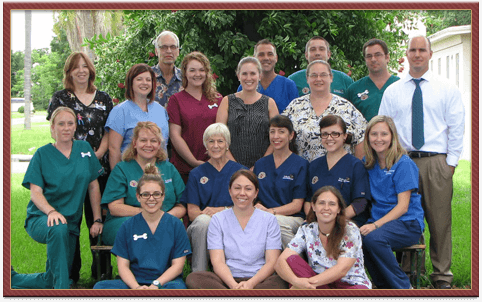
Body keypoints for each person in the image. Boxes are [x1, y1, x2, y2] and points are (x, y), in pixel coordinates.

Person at [378, 35, 465, 289]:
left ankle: (442, 276)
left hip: (436, 161)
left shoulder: (446, 88)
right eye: (412, 50)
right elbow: (383, 126)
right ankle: (407, 272)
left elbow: (456, 127)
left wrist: (451, 163)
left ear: (430, 54)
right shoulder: (393, 91)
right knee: (404, 216)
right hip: (402, 162)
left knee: (439, 220)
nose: (417, 54)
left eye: (421, 50)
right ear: (406, 54)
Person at [11, 107, 103, 289]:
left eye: (70, 123)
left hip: (70, 226)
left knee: (52, 278)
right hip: (42, 218)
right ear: (52, 128)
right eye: (61, 124)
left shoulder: (84, 149)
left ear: (76, 127)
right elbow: (35, 192)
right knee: (61, 279)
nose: (66, 128)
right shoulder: (42, 155)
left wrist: (98, 219)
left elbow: (93, 186)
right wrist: (51, 212)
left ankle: (12, 279)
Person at [46, 51, 113, 281]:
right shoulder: (60, 98)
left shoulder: (104, 98)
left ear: (90, 70)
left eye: (85, 66)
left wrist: (96, 155)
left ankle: (102, 274)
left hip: (99, 168)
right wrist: (77, 158)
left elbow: (108, 132)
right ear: (69, 71)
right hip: (70, 171)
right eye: (76, 67)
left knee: (99, 220)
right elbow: (56, 131)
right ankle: (70, 273)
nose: (81, 70)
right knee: (69, 220)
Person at [94, 164, 191, 289]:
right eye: (145, 194)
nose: (151, 199)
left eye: (156, 194)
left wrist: (156, 285)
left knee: (177, 290)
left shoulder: (175, 224)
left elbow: (177, 266)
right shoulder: (127, 226)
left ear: (163, 196)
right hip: (134, 281)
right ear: (138, 197)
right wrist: (136, 288)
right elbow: (123, 266)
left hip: (165, 282)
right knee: (100, 287)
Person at [186, 170, 288, 289]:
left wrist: (250, 284)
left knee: (282, 280)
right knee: (194, 278)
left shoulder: (269, 220)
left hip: (259, 280)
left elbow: (271, 262)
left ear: (256, 193)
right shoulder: (218, 219)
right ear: (230, 191)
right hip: (227, 279)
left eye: (248, 189)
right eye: (237, 188)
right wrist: (234, 286)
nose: (242, 193)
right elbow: (218, 262)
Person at [359, 115, 425, 289]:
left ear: (392, 137)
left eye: (384, 134)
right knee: (356, 239)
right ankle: (382, 286)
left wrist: (375, 225)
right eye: (374, 134)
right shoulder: (368, 163)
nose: (378, 139)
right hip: (380, 222)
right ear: (368, 138)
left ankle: (404, 287)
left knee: (373, 239)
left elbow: (403, 207)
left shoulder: (403, 164)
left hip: (407, 223)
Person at [101, 122, 185, 246]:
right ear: (135, 143)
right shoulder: (122, 169)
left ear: (159, 144)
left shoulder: (169, 169)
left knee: (166, 230)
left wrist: (164, 217)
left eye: (153, 141)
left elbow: (182, 205)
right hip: (125, 222)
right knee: (144, 230)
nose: (148, 145)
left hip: (163, 221)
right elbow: (114, 207)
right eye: (143, 140)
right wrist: (148, 215)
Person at [275, 186, 371, 289]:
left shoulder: (350, 230)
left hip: (350, 285)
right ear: (313, 206)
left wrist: (307, 284)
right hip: (321, 285)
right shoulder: (307, 229)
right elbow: (280, 262)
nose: (326, 208)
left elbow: (341, 270)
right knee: (292, 259)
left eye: (332, 204)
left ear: (338, 209)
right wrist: (296, 282)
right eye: (321, 203)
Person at [181, 123, 246, 272]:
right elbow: (192, 212)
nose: (215, 146)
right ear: (206, 145)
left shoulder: (241, 172)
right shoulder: (196, 174)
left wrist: (220, 211)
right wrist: (213, 218)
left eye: (220, 141)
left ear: (228, 144)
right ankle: (199, 275)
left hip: (233, 223)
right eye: (211, 141)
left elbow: (247, 207)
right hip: (204, 226)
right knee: (203, 222)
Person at [282, 59, 367, 163]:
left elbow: (360, 139)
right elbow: (281, 136)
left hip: (339, 174)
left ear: (331, 78)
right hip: (302, 173)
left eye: (323, 75)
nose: (318, 79)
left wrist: (356, 171)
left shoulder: (346, 107)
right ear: (307, 79)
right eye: (313, 75)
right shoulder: (294, 106)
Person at [166, 51, 223, 183]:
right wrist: (194, 162)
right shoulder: (176, 100)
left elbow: (223, 133)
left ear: (207, 72)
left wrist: (213, 160)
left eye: (201, 70)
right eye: (192, 70)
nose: (197, 74)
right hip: (185, 170)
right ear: (185, 73)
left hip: (215, 166)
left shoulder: (218, 99)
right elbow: (175, 136)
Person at [253, 115, 308, 249]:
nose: (276, 136)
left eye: (281, 131)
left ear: (291, 135)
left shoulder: (301, 165)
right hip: (263, 215)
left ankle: (296, 262)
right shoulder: (260, 164)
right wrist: (259, 206)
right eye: (272, 132)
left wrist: (271, 212)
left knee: (275, 222)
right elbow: (254, 196)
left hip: (291, 218)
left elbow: (297, 205)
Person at [307, 114, 371, 228]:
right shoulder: (314, 166)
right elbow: (308, 200)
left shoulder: (355, 166)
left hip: (346, 223)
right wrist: (314, 220)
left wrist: (333, 220)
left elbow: (360, 204)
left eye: (335, 134)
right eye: (325, 134)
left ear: (345, 136)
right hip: (318, 223)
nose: (329, 138)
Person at [216, 56, 279, 169]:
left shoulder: (269, 103)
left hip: (263, 168)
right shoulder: (227, 101)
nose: (248, 78)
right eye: (244, 74)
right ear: (238, 76)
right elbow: (219, 137)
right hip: (230, 166)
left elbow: (277, 137)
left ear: (259, 76)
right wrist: (235, 166)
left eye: (253, 73)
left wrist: (258, 166)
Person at [106, 63, 169, 170]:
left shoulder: (160, 110)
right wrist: (119, 179)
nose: (144, 83)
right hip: (132, 173)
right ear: (131, 83)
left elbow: (164, 145)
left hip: (160, 171)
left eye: (148, 80)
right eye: (139, 79)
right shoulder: (120, 111)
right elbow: (114, 149)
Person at [236, 39, 298, 113]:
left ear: (276, 58)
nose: (266, 58)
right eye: (261, 54)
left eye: (270, 54)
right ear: (254, 58)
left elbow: (296, 116)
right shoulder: (245, 86)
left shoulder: (288, 85)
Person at [346, 38, 400, 122]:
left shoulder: (401, 86)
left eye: (377, 55)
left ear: (387, 57)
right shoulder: (354, 89)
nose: (373, 59)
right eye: (369, 56)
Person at [288, 36, 353, 99]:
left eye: (322, 49)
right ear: (306, 55)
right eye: (313, 50)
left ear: (328, 54)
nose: (317, 53)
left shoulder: (345, 80)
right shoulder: (293, 80)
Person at [151, 30, 183, 107]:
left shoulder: (186, 78)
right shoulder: (146, 77)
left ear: (178, 51)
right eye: (164, 47)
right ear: (156, 51)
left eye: (173, 47)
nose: (169, 51)